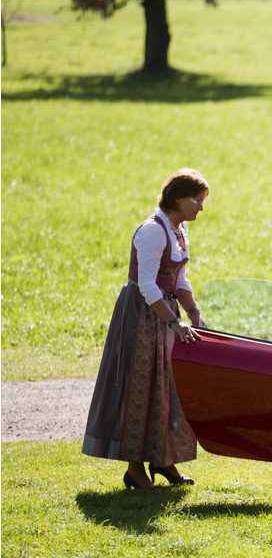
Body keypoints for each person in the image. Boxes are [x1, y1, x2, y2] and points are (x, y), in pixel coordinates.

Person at [82, 168, 210, 490]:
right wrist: (174, 321)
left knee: (167, 387)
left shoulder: (179, 231)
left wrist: (194, 313)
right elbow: (147, 286)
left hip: (166, 315)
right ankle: (135, 469)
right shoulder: (153, 231)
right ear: (178, 198)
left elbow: (178, 279)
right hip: (142, 314)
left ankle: (165, 461)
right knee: (141, 388)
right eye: (197, 200)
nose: (201, 208)